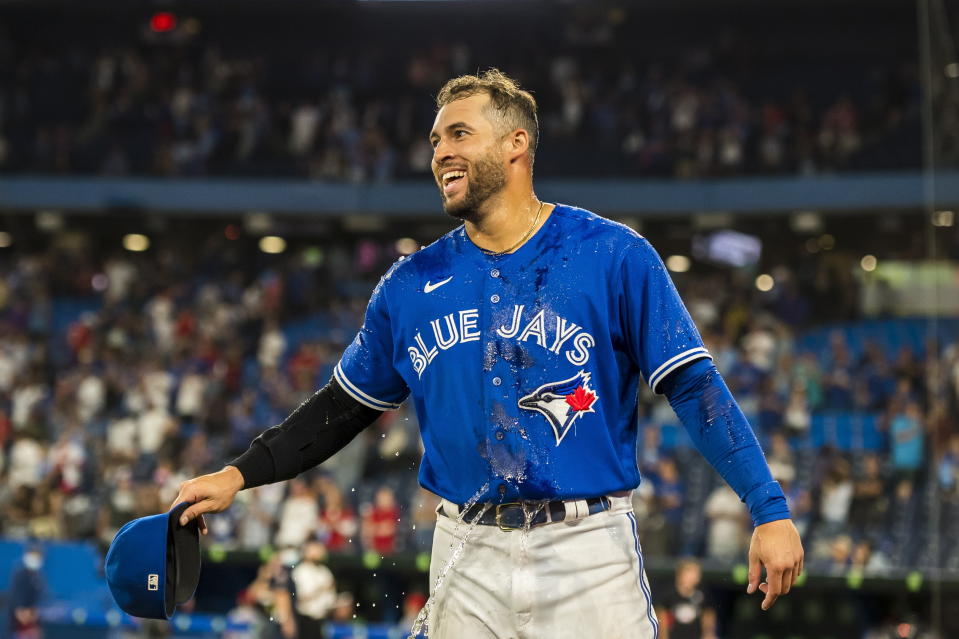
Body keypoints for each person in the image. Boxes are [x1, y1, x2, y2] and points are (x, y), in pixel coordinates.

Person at [172, 69, 803, 639]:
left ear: (515, 145)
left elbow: (693, 387)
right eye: (434, 141)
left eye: (458, 134)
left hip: (587, 551)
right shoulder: (411, 283)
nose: (440, 152)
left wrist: (768, 509)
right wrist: (238, 474)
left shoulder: (612, 255)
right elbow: (342, 408)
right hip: (464, 551)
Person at [655, 559, 717, 639]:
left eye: (697, 573)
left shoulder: (702, 592)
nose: (696, 577)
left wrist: (708, 634)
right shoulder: (668, 593)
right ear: (680, 574)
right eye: (691, 573)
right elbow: (661, 617)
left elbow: (708, 614)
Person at [7, 547, 45, 639]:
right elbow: (16, 596)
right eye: (33, 555)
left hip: (33, 622)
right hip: (17, 623)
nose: (35, 559)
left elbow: (40, 598)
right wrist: (21, 612)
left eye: (37, 557)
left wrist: (34, 613)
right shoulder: (19, 574)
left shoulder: (39, 577)